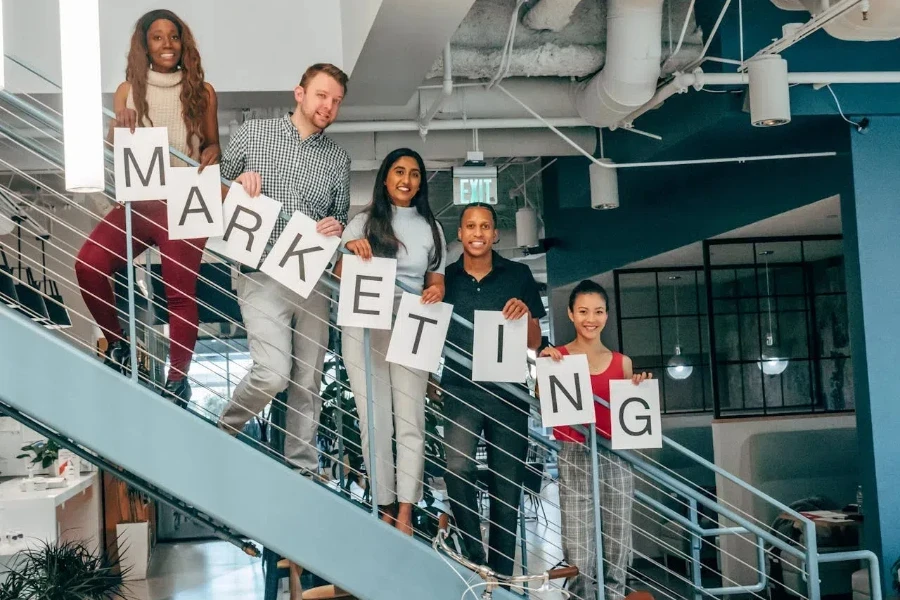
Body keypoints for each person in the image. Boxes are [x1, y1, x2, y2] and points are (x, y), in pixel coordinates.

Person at [75, 9, 219, 407]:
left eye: (173, 37)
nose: (167, 44)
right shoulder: (127, 90)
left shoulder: (202, 92)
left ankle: (177, 380)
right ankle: (119, 344)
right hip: (141, 200)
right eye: (157, 38)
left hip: (185, 201)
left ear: (183, 43)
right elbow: (111, 146)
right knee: (88, 264)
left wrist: (211, 153)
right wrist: (116, 128)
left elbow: (211, 144)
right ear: (145, 45)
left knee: (178, 293)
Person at [216, 63, 350, 480]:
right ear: (300, 93)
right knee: (274, 374)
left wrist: (336, 226)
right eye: (322, 95)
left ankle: (302, 472)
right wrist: (237, 181)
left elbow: (338, 216)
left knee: (308, 381)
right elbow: (213, 188)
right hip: (259, 272)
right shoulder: (253, 134)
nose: (328, 106)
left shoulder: (339, 159)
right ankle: (223, 431)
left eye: (336, 101)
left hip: (311, 275)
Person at [335, 148, 447, 536]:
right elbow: (336, 271)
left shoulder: (432, 227)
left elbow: (436, 280)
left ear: (421, 182)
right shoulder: (363, 222)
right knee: (374, 420)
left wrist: (435, 293)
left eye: (415, 173)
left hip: (414, 325)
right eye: (399, 171)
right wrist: (352, 250)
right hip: (366, 326)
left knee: (411, 421)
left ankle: (405, 510)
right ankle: (382, 503)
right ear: (385, 178)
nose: (407, 179)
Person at [441, 202, 544, 577]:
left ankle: (501, 581)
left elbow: (535, 342)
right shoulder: (445, 278)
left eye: (485, 226)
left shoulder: (517, 275)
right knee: (456, 467)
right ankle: (477, 561)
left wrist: (524, 312)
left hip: (508, 394)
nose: (478, 233)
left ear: (496, 234)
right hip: (459, 390)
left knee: (507, 490)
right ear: (460, 233)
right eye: (471, 226)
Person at [540, 280, 651, 600]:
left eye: (599, 311)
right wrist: (544, 369)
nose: (592, 318)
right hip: (574, 454)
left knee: (617, 548)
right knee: (579, 552)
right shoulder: (556, 357)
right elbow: (545, 404)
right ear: (571, 314)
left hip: (616, 455)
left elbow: (632, 413)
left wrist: (639, 385)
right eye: (584, 311)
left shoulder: (622, 363)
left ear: (607, 315)